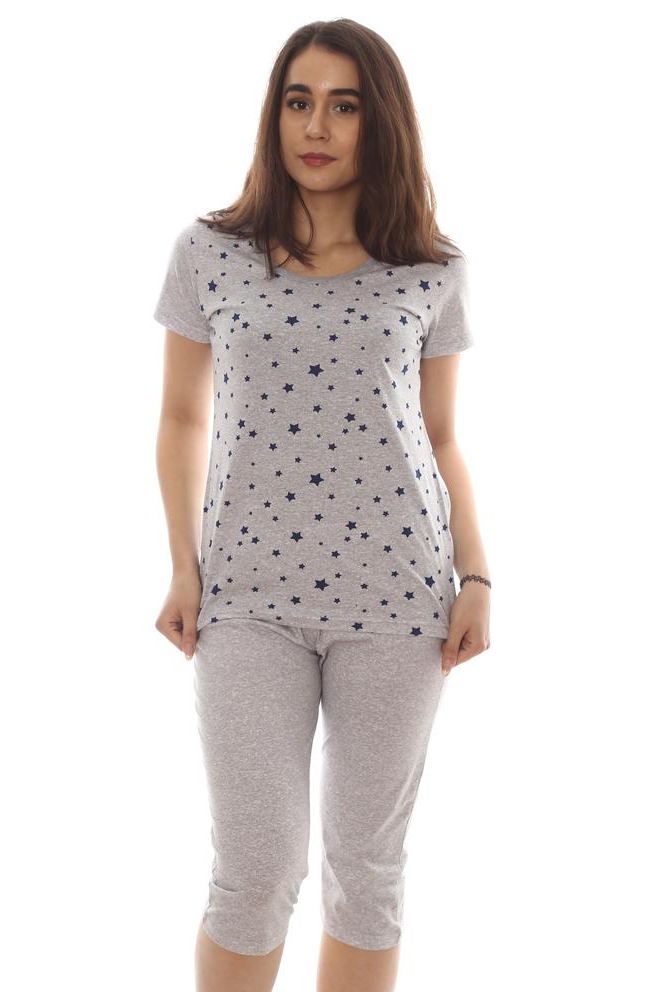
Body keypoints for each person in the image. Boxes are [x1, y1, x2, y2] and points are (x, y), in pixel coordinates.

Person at [152, 18, 491, 992]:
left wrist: (475, 575)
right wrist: (182, 567)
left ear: (378, 121)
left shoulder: (431, 266)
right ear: (275, 114)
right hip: (247, 599)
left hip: (399, 599)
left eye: (344, 105)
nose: (317, 126)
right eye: (299, 101)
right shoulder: (210, 250)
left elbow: (440, 436)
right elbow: (180, 417)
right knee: (255, 871)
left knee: (367, 875)